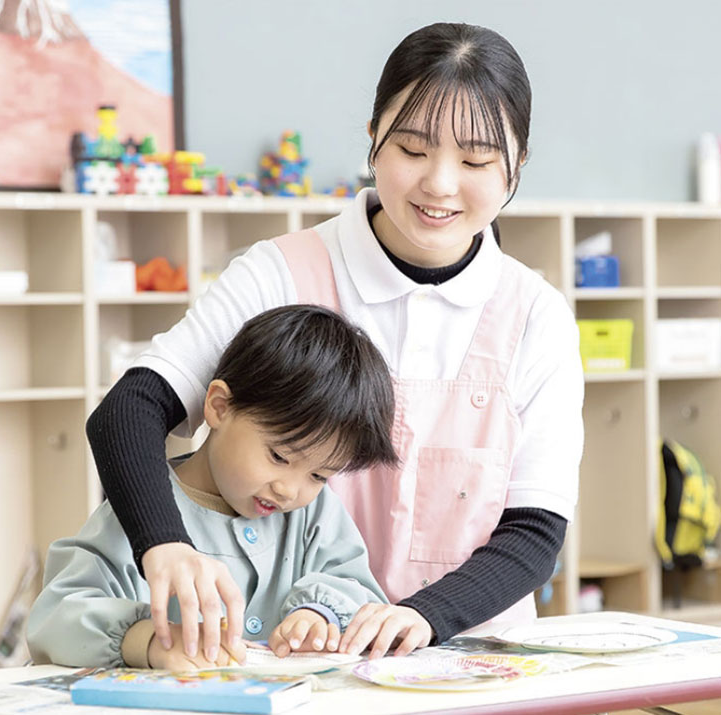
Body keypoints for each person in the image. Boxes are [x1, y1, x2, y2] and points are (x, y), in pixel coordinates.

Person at [86, 22, 584, 663]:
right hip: (305, 666)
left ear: (517, 166)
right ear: (374, 138)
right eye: (412, 148)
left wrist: (421, 615)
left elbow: (535, 532)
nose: (440, 183)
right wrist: (165, 543)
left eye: (476, 161)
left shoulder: (536, 315)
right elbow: (128, 411)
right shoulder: (278, 273)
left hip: (474, 659)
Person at [28, 305, 397, 668]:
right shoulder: (143, 511)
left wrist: (318, 614)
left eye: (319, 475)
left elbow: (357, 588)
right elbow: (56, 618)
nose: (289, 490)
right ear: (219, 406)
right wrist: (149, 642)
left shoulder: (315, 513)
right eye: (279, 457)